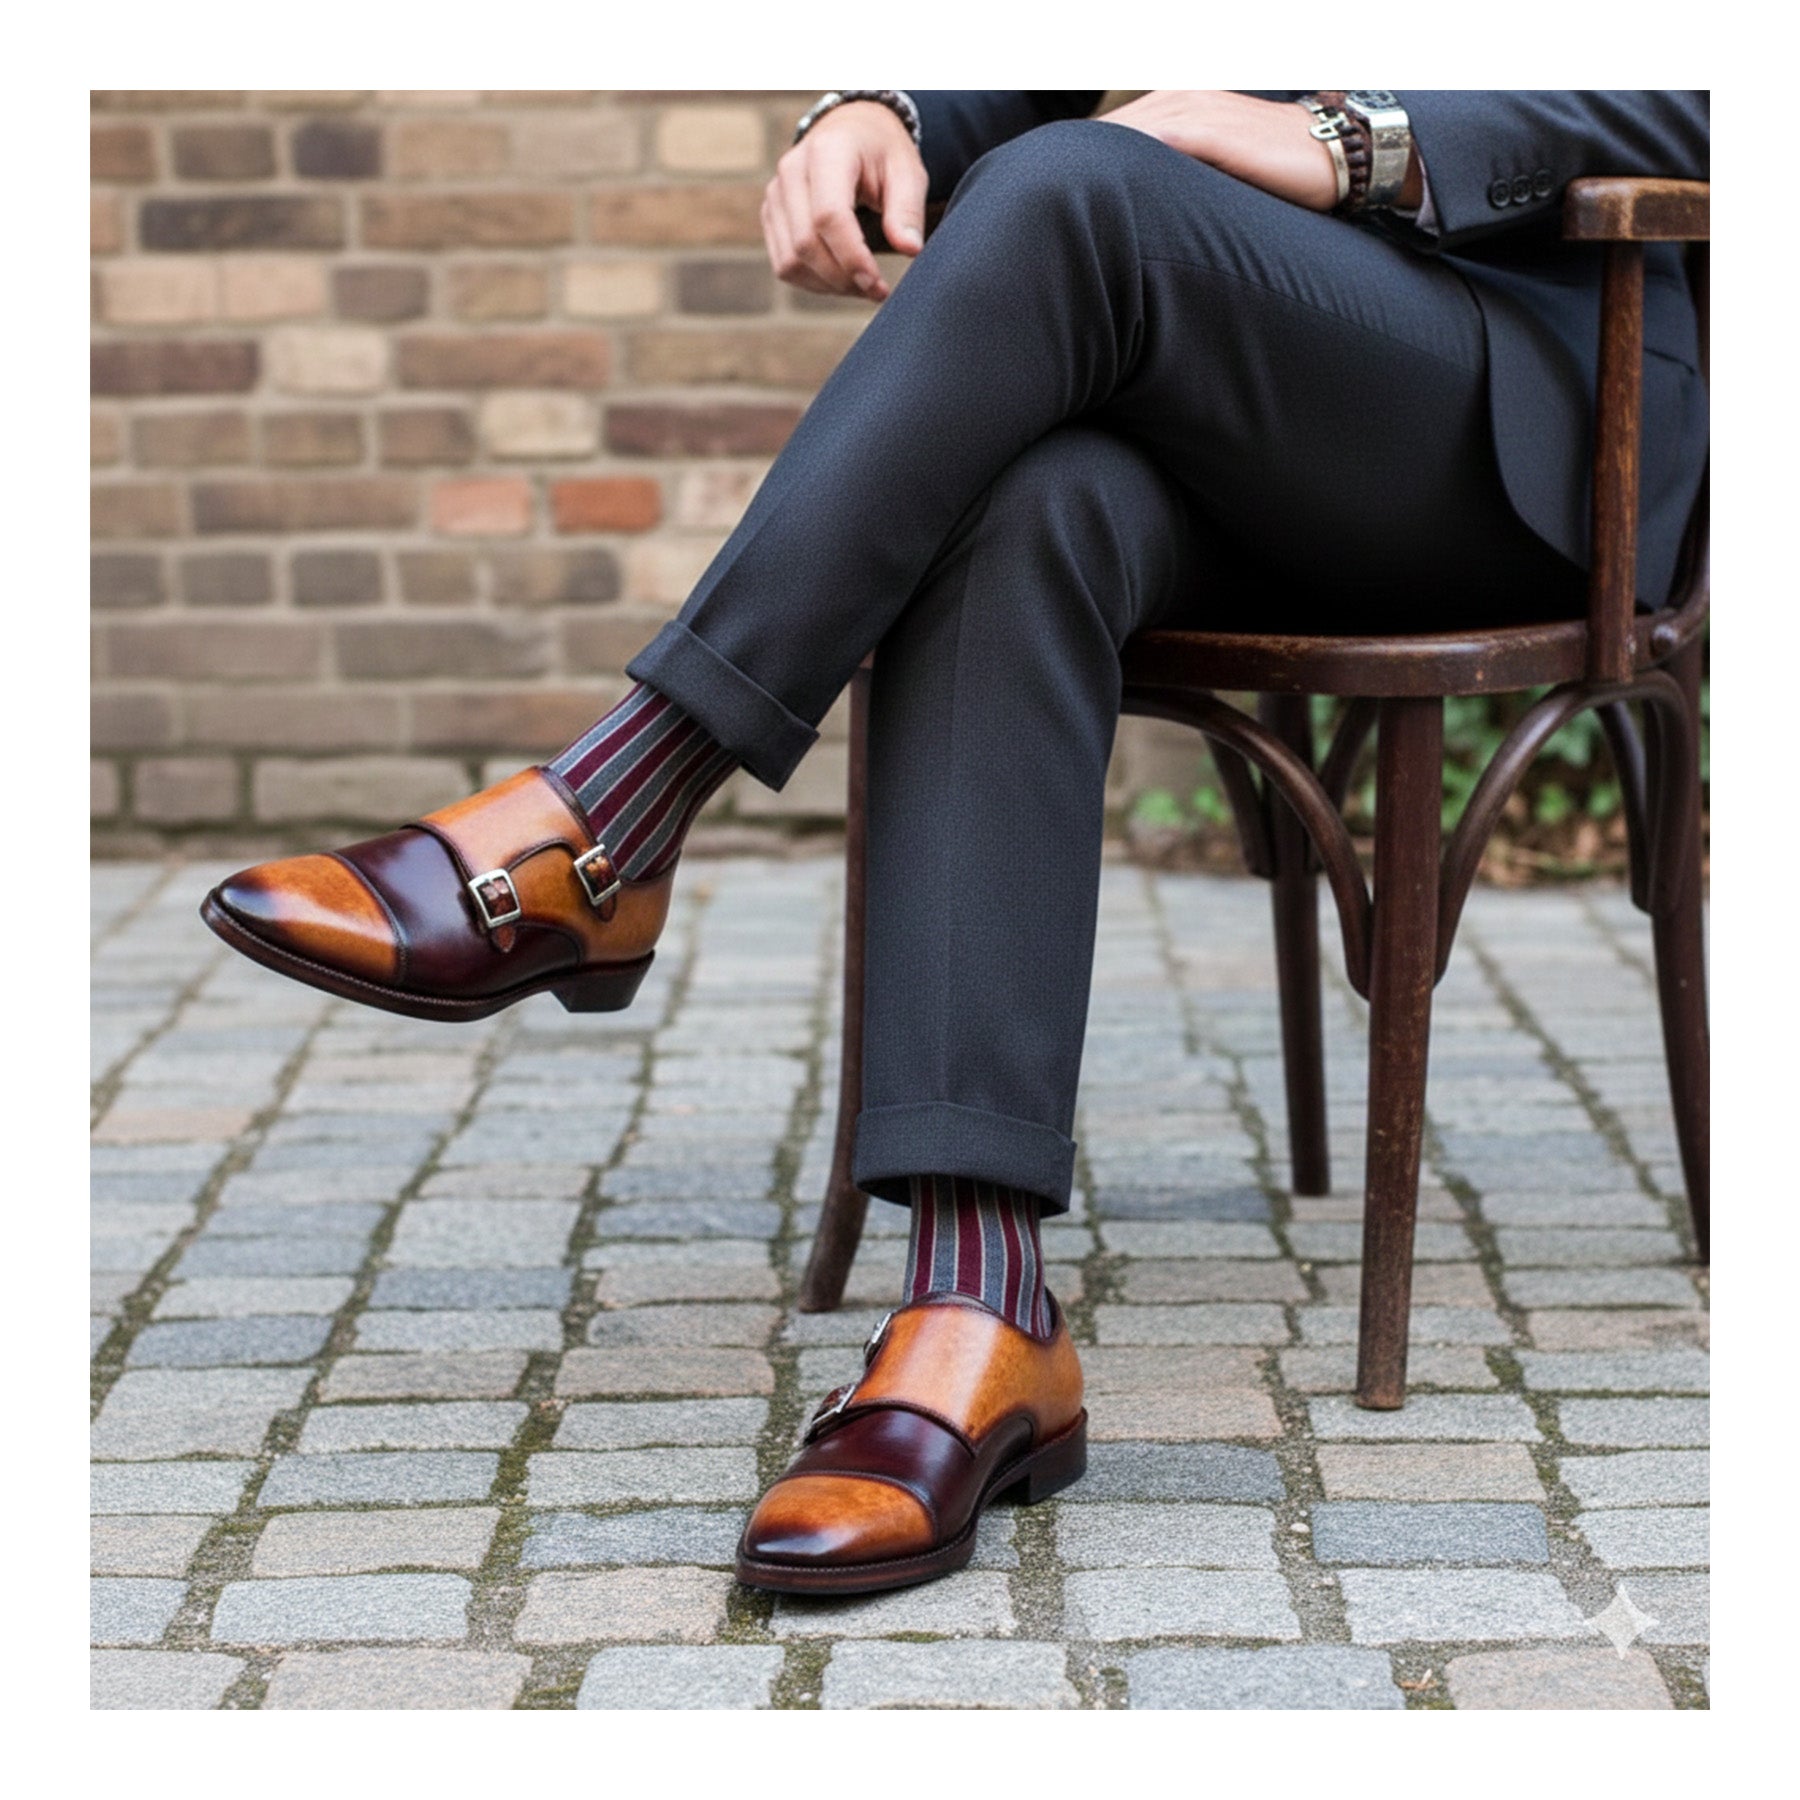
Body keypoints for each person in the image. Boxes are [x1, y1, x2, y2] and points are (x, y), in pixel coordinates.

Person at [201, 89, 1709, 1596]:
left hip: (1511, 407)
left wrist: (1354, 137)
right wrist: (890, 112)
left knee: (1076, 194)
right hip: (1223, 399)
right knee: (1027, 508)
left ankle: (609, 820)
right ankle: (982, 1315)